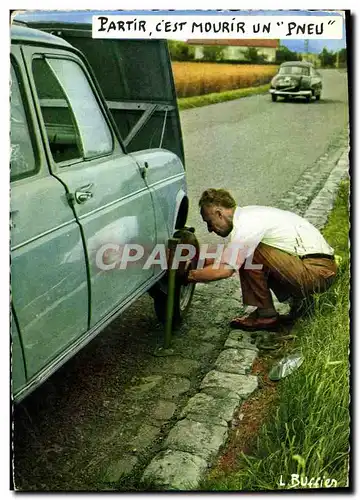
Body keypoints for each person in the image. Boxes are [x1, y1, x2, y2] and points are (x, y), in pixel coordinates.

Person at [185, 188, 337, 331]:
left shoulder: (247, 225)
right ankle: (295, 304)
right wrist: (199, 263)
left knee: (250, 253)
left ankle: (266, 315)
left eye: (209, 222)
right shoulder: (248, 216)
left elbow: (225, 270)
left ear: (219, 213)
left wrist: (189, 276)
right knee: (245, 252)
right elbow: (226, 257)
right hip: (316, 268)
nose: (210, 230)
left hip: (317, 272)